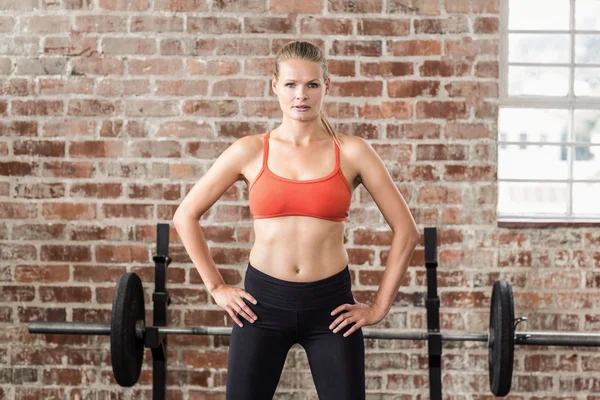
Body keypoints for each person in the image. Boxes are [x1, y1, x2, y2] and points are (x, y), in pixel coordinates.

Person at [173, 40, 420, 400]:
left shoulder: (352, 151)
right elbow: (186, 216)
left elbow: (406, 231)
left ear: (327, 86)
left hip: (331, 309)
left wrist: (379, 306)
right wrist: (216, 288)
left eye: (311, 84)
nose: (300, 95)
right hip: (261, 306)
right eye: (290, 85)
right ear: (274, 86)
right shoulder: (251, 150)